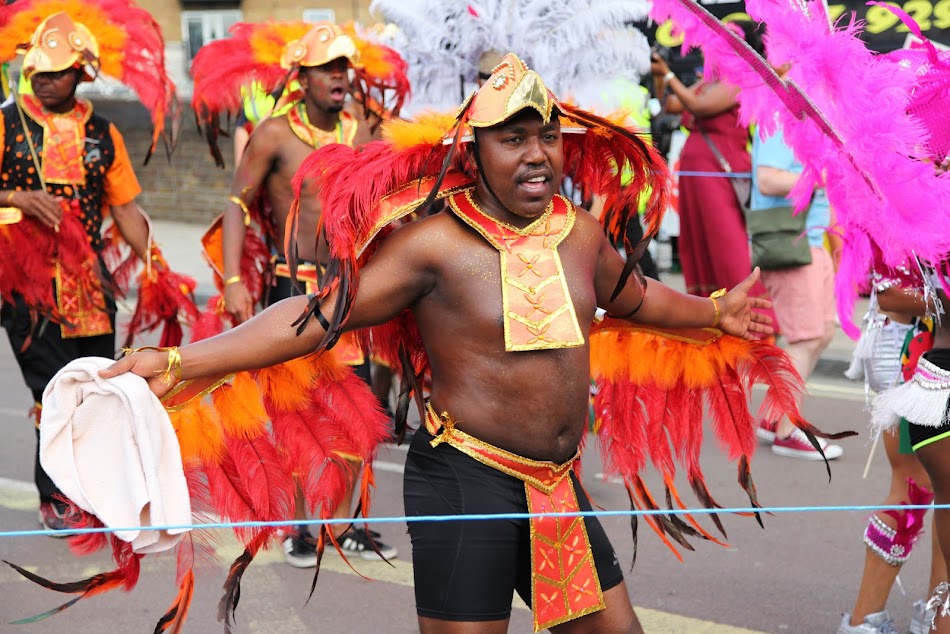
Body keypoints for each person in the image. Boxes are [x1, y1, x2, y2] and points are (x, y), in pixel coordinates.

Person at [105, 52, 778, 634]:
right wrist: (177, 359)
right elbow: (313, 319)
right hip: (465, 478)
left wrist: (715, 313)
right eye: (513, 139)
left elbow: (636, 297)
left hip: (555, 486)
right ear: (473, 152)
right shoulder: (433, 246)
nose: (538, 153)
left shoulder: (579, 233)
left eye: (548, 136)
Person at [190, 20, 403, 567]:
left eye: (344, 67)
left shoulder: (371, 130)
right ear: (301, 77)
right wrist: (235, 282)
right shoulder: (274, 134)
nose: (339, 76)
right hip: (296, 292)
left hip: (357, 291)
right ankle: (301, 528)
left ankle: (347, 524)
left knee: (360, 408)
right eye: (326, 68)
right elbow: (237, 205)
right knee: (298, 414)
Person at [0, 7, 186, 535]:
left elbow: (125, 210)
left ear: (82, 72)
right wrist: (14, 195)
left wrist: (159, 268)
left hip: (89, 285)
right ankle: (53, 495)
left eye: (58, 72)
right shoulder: (5, 123)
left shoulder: (104, 133)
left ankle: (92, 493)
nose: (44, 80)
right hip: (26, 289)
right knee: (49, 392)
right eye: (38, 71)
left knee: (97, 390)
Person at [839, 253, 945, 634]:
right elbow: (891, 294)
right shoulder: (920, 191)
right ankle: (863, 621)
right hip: (913, 353)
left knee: (943, 490)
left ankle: (937, 614)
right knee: (912, 486)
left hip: (928, 345)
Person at [649, 21, 776, 318]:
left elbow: (699, 106)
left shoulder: (740, 81)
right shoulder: (708, 82)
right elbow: (671, 105)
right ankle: (711, 312)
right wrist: (659, 76)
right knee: (698, 244)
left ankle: (751, 314)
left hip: (719, 175)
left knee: (726, 242)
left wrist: (669, 74)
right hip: (696, 175)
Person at [749, 122, 844, 460]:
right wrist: (820, 176)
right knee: (805, 337)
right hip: (789, 240)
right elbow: (768, 179)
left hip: (812, 240)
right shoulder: (777, 121)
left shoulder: (812, 121)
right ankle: (788, 431)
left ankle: (774, 419)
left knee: (822, 333)